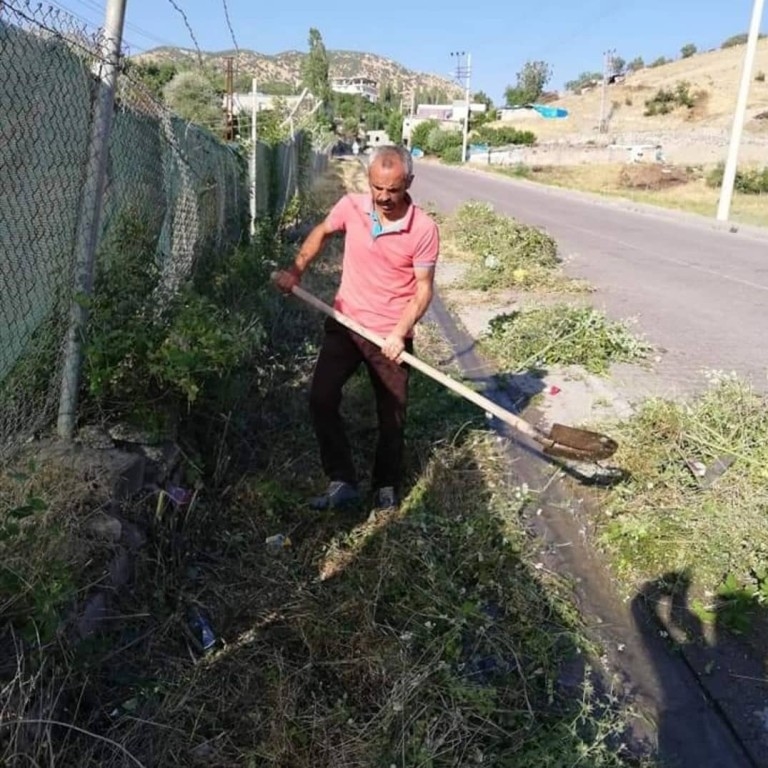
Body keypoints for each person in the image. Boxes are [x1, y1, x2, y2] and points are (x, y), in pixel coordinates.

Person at [273, 145, 440, 511]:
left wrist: (399, 333)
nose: (383, 197)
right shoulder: (352, 206)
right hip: (347, 323)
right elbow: (322, 231)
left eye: (393, 190)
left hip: (389, 335)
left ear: (409, 182)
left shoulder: (424, 229)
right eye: (377, 188)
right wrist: (295, 271)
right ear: (369, 181)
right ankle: (342, 480)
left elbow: (423, 289)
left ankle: (385, 485)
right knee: (321, 398)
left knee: (392, 416)